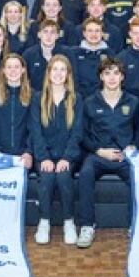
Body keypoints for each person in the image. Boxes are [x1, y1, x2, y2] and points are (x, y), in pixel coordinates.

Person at [77, 57, 139, 248]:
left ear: (122, 77)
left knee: (138, 175)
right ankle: (87, 226)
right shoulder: (89, 102)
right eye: (107, 73)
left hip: (124, 155)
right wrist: (99, 150)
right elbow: (82, 134)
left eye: (116, 73)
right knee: (85, 174)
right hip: (99, 154)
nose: (112, 78)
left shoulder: (134, 101)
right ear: (101, 77)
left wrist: (132, 147)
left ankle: (135, 225)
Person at [29, 55, 83, 245]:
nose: (58, 74)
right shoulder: (38, 98)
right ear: (49, 73)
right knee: (48, 176)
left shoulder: (76, 99)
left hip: (68, 155)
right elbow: (35, 132)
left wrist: (67, 158)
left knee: (62, 175)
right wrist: (43, 157)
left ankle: (69, 222)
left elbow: (77, 132)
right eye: (55, 69)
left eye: (63, 70)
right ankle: (44, 222)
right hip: (45, 155)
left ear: (68, 74)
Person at [0, 54, 34, 169]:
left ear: (23, 70)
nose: (13, 71)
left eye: (16, 67)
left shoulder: (33, 95)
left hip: (24, 155)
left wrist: (29, 152)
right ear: (3, 70)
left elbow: (34, 128)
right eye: (9, 67)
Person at [22, 19, 76, 91]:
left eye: (52, 32)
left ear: (57, 35)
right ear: (39, 35)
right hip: (35, 97)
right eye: (45, 32)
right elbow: (24, 79)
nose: (49, 36)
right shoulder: (28, 54)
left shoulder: (67, 53)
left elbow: (74, 77)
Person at [73, 17, 115, 98]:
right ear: (84, 33)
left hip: (103, 99)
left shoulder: (110, 54)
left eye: (97, 31)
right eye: (90, 31)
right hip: (79, 98)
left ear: (102, 33)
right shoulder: (74, 53)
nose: (94, 34)